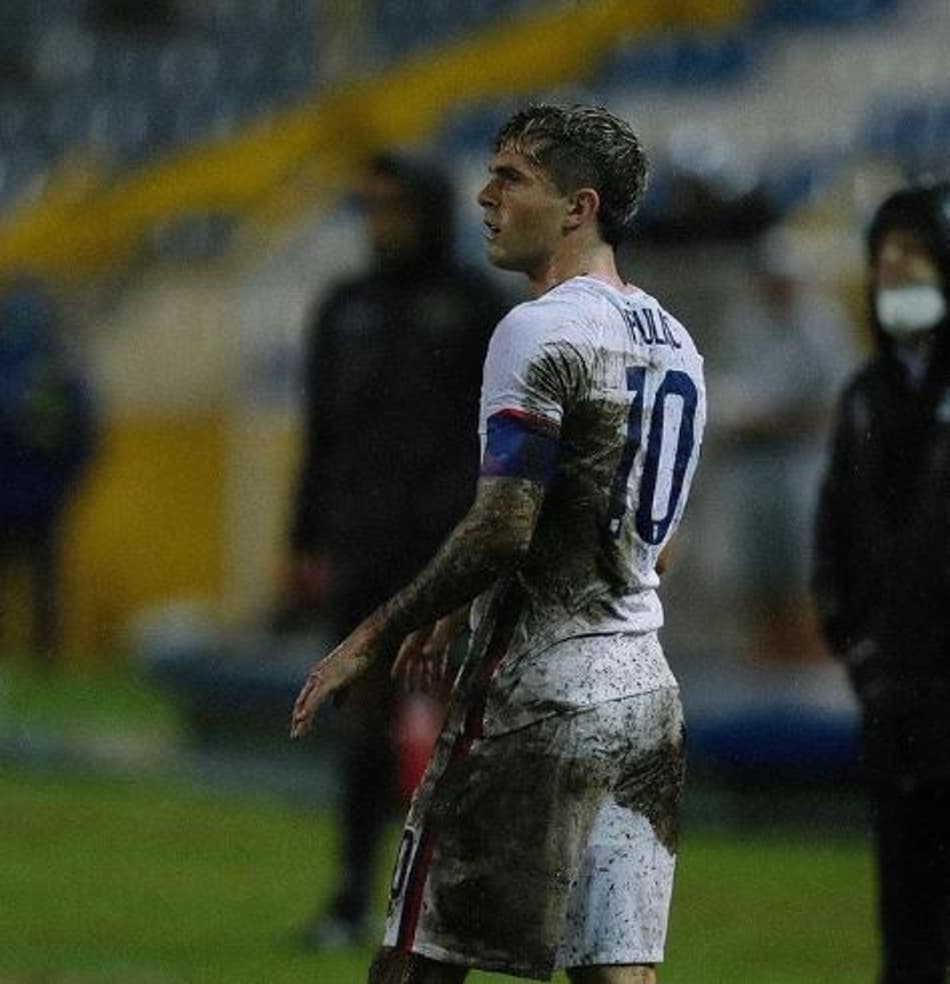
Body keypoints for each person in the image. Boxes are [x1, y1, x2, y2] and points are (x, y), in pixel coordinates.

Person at [291, 103, 707, 984]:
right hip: (645, 695)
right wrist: (465, 606)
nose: (485, 196)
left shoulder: (537, 327)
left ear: (578, 207)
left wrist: (373, 635)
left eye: (512, 178)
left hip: (537, 692)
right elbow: (653, 548)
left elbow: (502, 526)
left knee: (416, 958)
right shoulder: (677, 343)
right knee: (618, 973)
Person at [282, 152, 507, 947]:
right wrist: (302, 538)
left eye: (395, 207)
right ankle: (352, 894)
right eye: (370, 207)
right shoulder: (344, 308)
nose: (381, 224)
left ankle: (465, 900)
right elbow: (320, 432)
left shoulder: (478, 307)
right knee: (363, 716)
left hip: (449, 546)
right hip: (363, 541)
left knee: (465, 717)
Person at [813, 183, 950, 984]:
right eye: (883, 253)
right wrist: (856, 642)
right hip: (894, 691)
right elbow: (835, 531)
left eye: (913, 250)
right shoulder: (865, 395)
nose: (893, 268)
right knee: (905, 905)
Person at [711, 227, 857, 664]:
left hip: (802, 464)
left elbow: (838, 405)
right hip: (750, 467)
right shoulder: (744, 324)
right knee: (757, 570)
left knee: (805, 569)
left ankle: (808, 660)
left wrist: (777, 423)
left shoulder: (822, 326)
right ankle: (769, 660)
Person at [0, 277, 97, 665]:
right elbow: (84, 439)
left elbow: (81, 438)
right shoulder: (60, 372)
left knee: (40, 586)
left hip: (31, 501)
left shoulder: (52, 374)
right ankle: (44, 658)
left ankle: (42, 657)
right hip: (42, 501)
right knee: (43, 587)